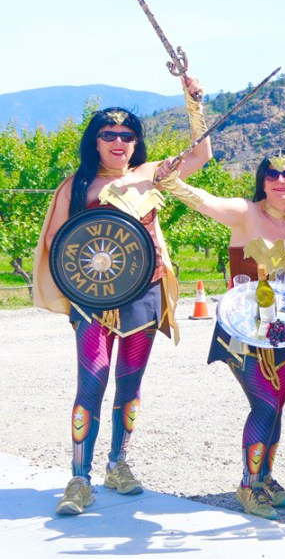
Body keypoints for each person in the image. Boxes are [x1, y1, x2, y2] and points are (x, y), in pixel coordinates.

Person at [33, 78, 211, 515]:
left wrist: (194, 103)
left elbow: (200, 156)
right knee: (91, 383)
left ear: (136, 143)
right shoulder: (77, 185)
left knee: (130, 384)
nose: (118, 141)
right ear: (95, 142)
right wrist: (86, 277)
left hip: (144, 294)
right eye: (108, 134)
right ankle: (79, 478)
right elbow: (56, 240)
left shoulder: (151, 175)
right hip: (93, 300)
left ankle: (118, 463)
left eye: (127, 135)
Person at [157, 150, 285, 520]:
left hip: (283, 335)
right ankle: (248, 485)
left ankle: (265, 479)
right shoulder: (245, 212)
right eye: (271, 174)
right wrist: (172, 182)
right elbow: (203, 200)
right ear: (262, 181)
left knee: (276, 407)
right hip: (241, 332)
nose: (280, 180)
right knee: (265, 405)